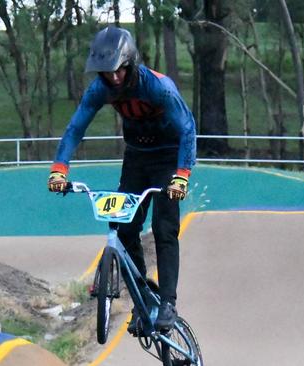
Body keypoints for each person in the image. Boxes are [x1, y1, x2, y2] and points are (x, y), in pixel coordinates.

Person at [47, 26, 196, 333]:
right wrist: (60, 167)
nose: (113, 78)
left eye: (119, 71)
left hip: (169, 156)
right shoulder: (100, 89)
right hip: (137, 157)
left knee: (164, 228)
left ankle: (168, 303)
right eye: (106, 73)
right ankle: (144, 296)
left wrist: (181, 176)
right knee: (124, 227)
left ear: (130, 64)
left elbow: (187, 129)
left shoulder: (159, 87)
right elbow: (76, 127)